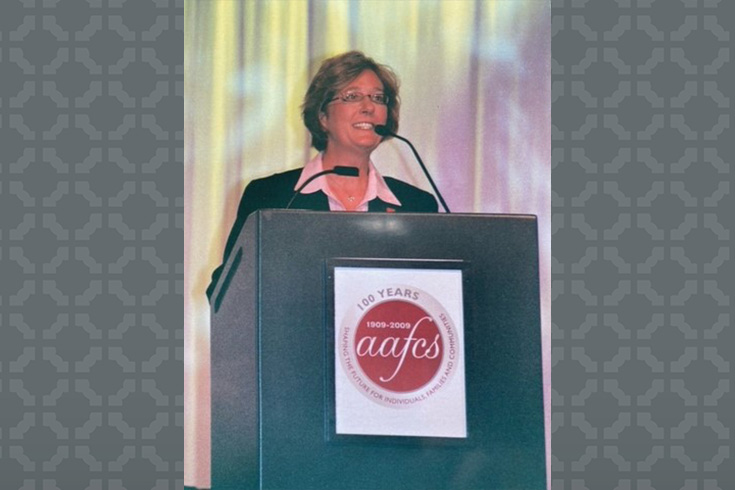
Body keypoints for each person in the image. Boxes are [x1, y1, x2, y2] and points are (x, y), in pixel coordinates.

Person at [207, 51, 438, 300]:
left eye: (378, 98)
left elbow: (434, 291)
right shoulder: (273, 197)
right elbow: (225, 291)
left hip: (383, 339)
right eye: (352, 96)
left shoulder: (416, 205)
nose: (369, 107)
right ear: (323, 117)